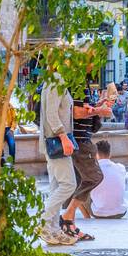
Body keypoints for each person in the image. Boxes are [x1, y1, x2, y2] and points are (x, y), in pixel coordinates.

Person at [61, 84, 113, 241]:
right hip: (80, 140)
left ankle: (70, 226)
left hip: (80, 138)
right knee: (94, 177)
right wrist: (100, 111)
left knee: (79, 181)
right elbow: (76, 113)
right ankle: (67, 216)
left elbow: (81, 109)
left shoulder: (80, 83)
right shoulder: (77, 84)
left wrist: (96, 107)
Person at [40, 76, 78, 246]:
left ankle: (53, 229)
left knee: (56, 186)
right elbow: (51, 114)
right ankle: (44, 221)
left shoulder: (57, 80)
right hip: (55, 142)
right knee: (69, 184)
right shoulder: (57, 80)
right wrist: (63, 136)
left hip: (54, 140)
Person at [88, 139, 127, 219]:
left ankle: (86, 217)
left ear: (96, 154)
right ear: (110, 154)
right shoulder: (120, 167)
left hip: (98, 213)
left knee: (80, 188)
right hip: (121, 212)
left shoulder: (92, 170)